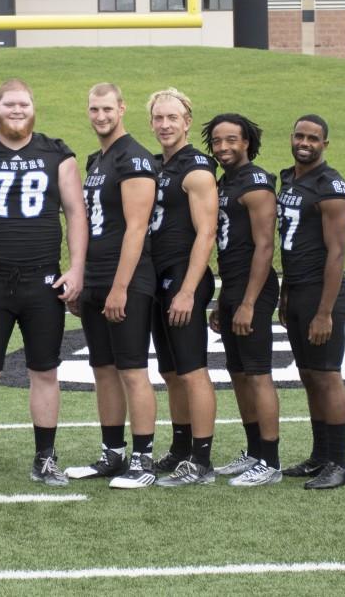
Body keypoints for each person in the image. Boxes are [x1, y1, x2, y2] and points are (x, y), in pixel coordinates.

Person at [0, 78, 87, 488]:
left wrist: (76, 267)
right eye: (9, 103)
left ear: (33, 107)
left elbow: (76, 212)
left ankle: (45, 457)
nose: (17, 109)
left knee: (45, 370)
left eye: (23, 103)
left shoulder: (56, 152)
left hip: (42, 281)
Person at [63, 83, 159, 488]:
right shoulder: (98, 158)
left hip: (127, 278)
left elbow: (136, 228)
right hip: (97, 277)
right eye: (93, 109)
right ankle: (113, 453)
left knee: (132, 369)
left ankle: (143, 459)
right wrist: (82, 277)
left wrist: (120, 287)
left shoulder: (133, 157)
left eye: (106, 109)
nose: (100, 116)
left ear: (122, 108)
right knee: (102, 368)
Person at [145, 88, 220, 488]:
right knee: (171, 371)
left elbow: (206, 233)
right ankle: (180, 447)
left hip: (184, 277)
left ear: (187, 121)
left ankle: (202, 460)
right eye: (158, 118)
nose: (165, 125)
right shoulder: (160, 166)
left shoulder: (196, 168)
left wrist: (188, 290)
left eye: (172, 117)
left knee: (193, 371)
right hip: (160, 278)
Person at [203, 113, 283, 487]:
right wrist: (224, 298)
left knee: (257, 373)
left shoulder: (256, 181)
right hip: (234, 285)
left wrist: (249, 302)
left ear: (247, 142)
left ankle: (270, 460)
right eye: (217, 141)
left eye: (231, 140)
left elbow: (265, 246)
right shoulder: (225, 182)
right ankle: (254, 451)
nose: (223, 147)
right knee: (237, 374)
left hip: (256, 287)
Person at [278, 114, 345, 490]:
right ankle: (321, 455)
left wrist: (325, 311)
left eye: (313, 137)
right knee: (308, 376)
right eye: (299, 135)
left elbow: (336, 253)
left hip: (323, 294)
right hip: (297, 290)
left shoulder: (331, 185)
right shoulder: (289, 179)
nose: (304, 142)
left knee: (326, 376)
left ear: (325, 143)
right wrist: (285, 292)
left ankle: (339, 463)